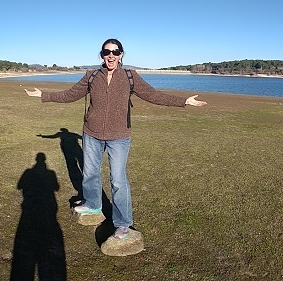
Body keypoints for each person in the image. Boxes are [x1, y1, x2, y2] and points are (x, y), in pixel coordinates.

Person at [25, 38, 206, 241]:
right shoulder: (91, 76)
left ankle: (122, 224)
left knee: (118, 181)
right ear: (101, 55)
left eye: (115, 51)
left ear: (121, 54)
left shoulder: (130, 76)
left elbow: (154, 95)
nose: (111, 55)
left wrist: (184, 102)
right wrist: (44, 95)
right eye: (106, 52)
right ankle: (93, 205)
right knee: (90, 173)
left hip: (119, 137)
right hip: (91, 134)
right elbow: (70, 95)